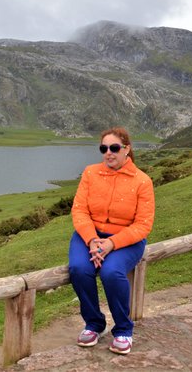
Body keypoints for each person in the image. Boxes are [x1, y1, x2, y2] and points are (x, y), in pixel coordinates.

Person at [68, 127, 155, 355]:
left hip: (126, 239)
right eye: (104, 148)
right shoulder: (90, 173)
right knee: (78, 268)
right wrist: (92, 239)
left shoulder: (142, 181)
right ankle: (94, 324)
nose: (109, 153)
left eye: (114, 148)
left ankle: (124, 329)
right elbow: (79, 211)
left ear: (127, 149)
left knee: (111, 272)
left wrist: (111, 244)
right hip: (90, 235)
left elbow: (143, 225)